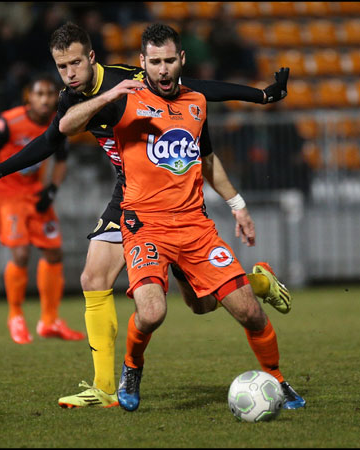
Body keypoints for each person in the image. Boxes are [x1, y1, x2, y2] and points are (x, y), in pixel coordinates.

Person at [0, 22, 295, 409]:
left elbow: (193, 86)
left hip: (170, 198)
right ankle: (104, 388)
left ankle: (256, 283)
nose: (69, 74)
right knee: (93, 278)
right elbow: (51, 139)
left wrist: (260, 95)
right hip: (129, 195)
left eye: (75, 64)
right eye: (61, 66)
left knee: (201, 305)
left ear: (91, 58)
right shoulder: (71, 98)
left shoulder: (128, 80)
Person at [56, 23, 304, 412]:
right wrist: (109, 96)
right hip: (145, 226)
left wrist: (238, 206)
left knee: (243, 312)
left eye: (170, 60)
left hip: (194, 227)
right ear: (143, 63)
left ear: (181, 59)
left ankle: (277, 379)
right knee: (152, 312)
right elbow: (65, 125)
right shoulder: (125, 99)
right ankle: (131, 368)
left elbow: (207, 160)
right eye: (155, 62)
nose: (163, 69)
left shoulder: (196, 103)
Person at [0, 73, 85, 344]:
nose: (45, 100)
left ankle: (50, 321)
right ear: (29, 97)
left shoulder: (59, 123)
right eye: (39, 94)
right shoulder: (7, 123)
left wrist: (52, 189)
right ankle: (15, 316)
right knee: (21, 253)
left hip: (34, 193)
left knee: (54, 252)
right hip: (5, 194)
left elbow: (61, 160)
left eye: (50, 94)